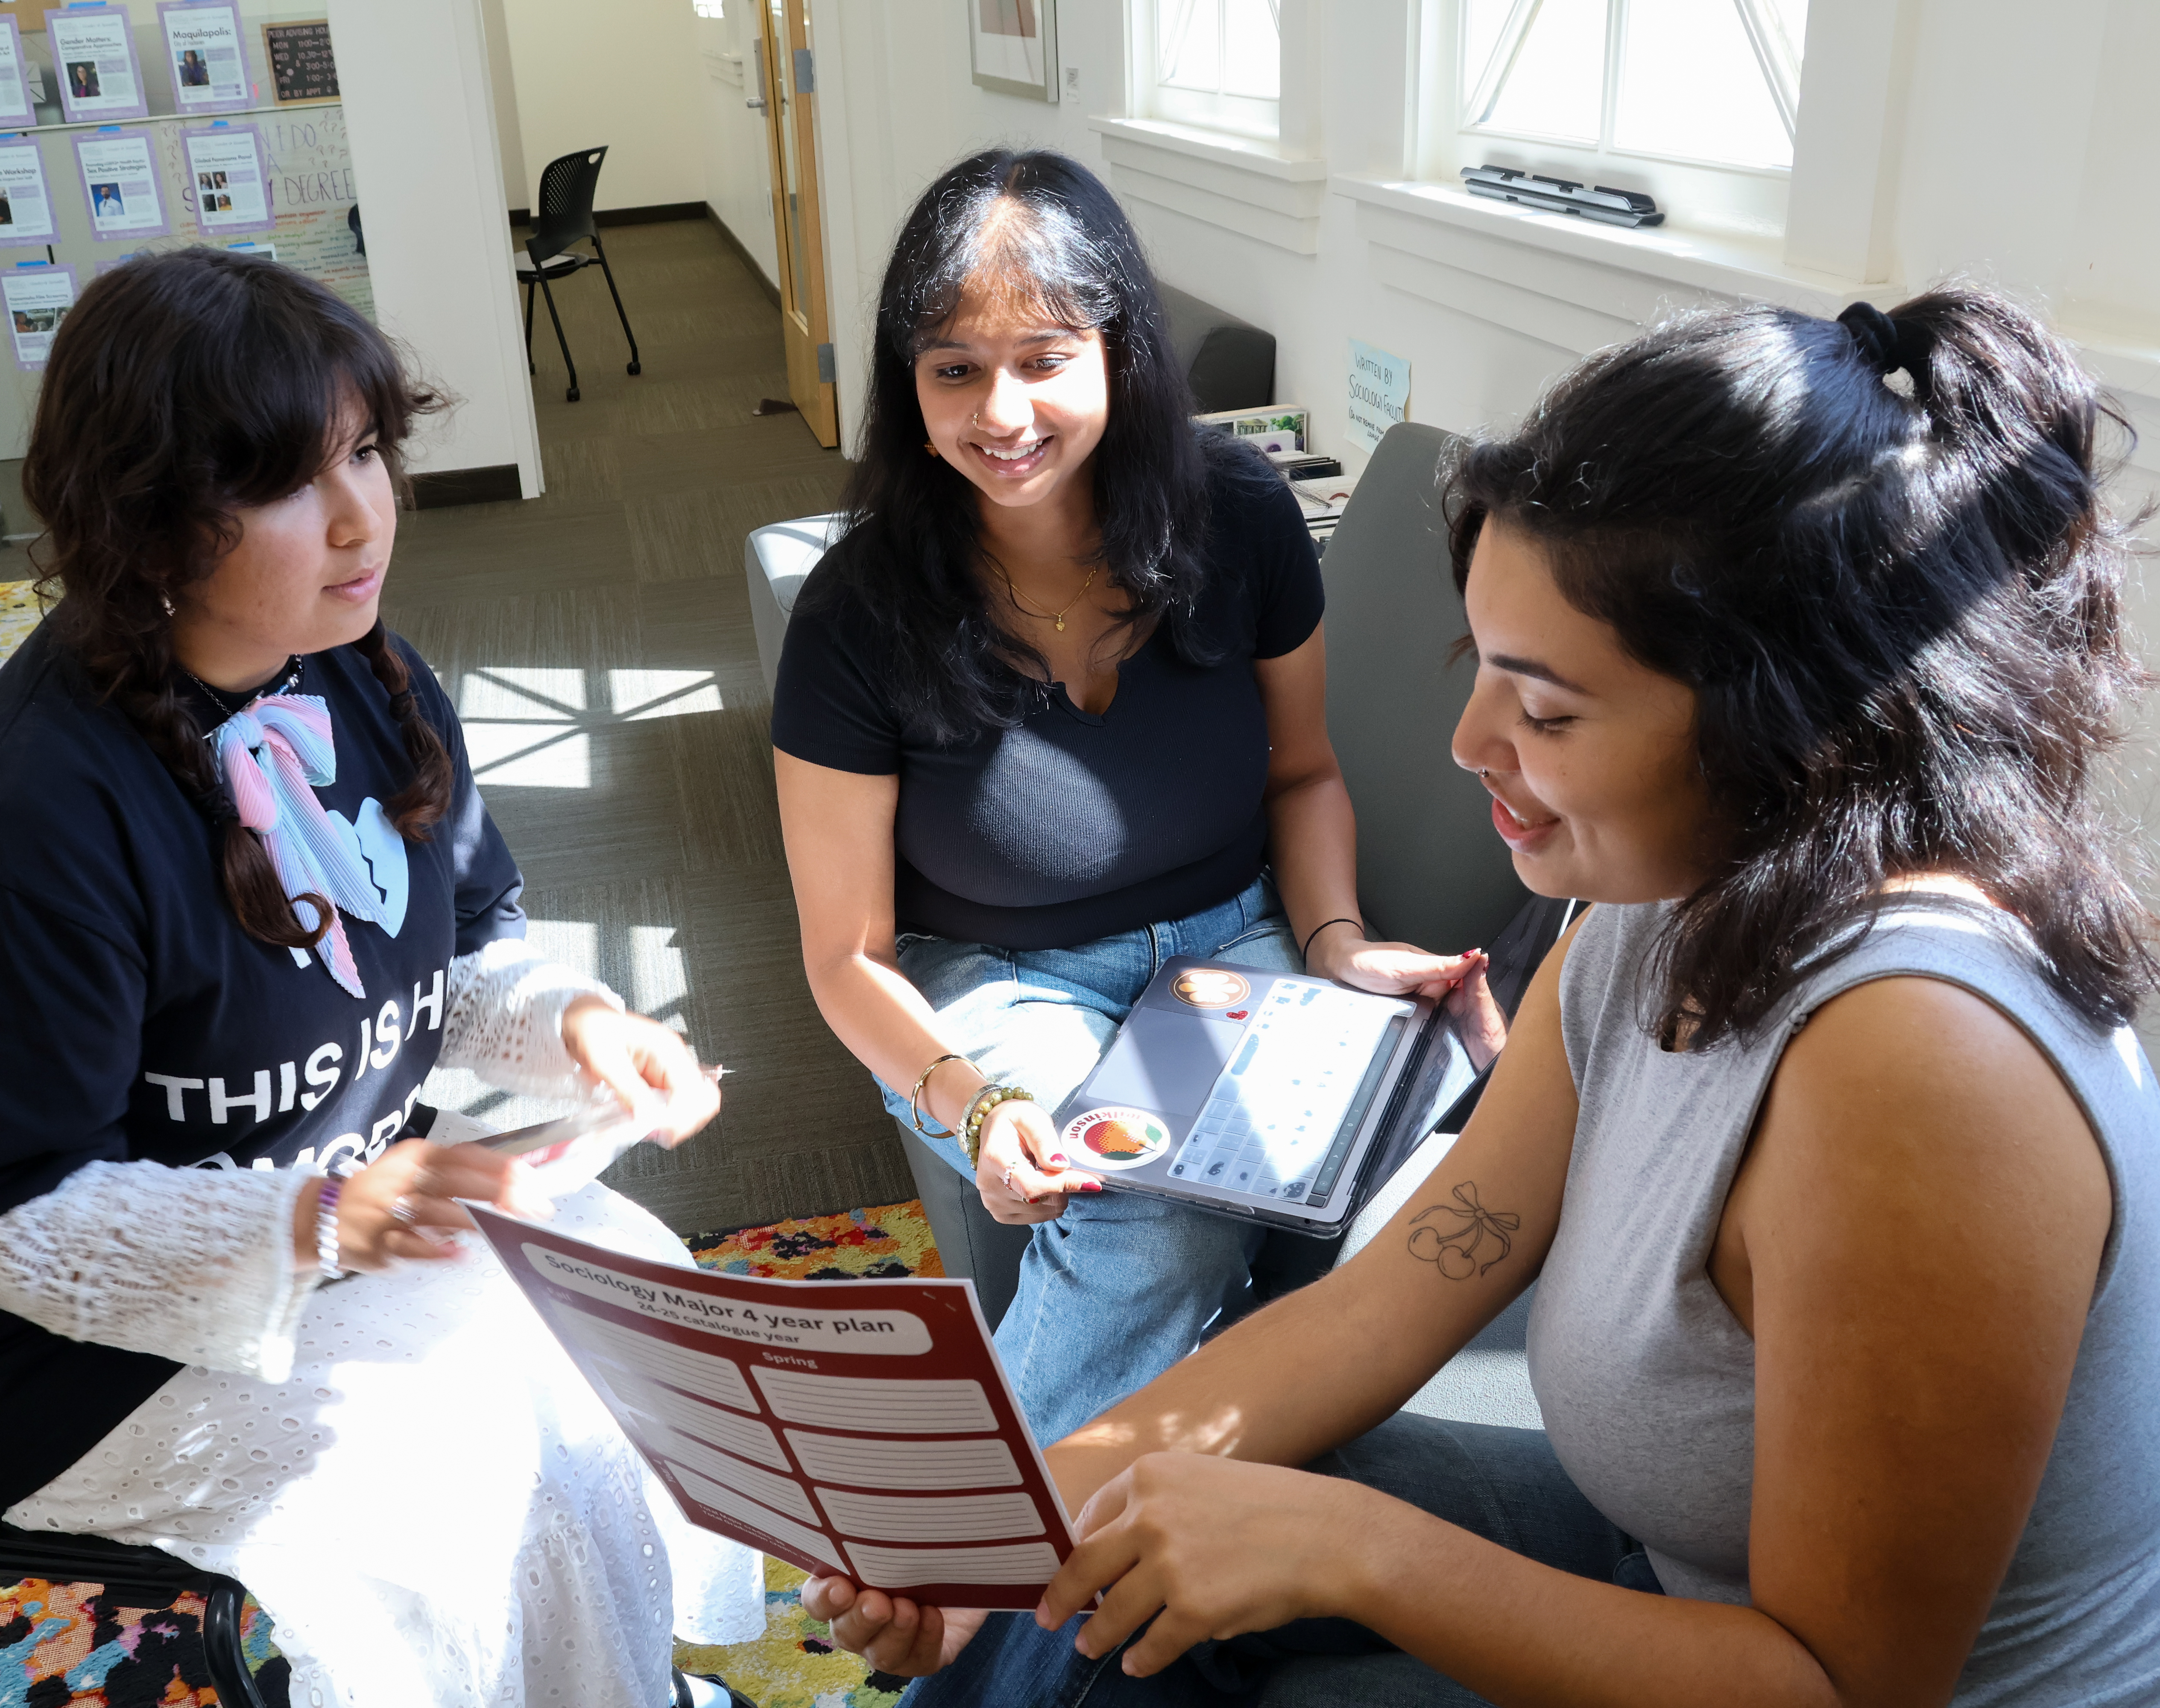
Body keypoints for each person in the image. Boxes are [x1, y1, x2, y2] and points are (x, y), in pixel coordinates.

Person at [804, 286, 2160, 1704]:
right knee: (1096, 1566)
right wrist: (1007, 1524)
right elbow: (1398, 1291)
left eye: (1547, 708)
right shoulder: (1657, 905)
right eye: (1481, 670)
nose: (1468, 744)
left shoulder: (1924, 1071)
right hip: (1674, 1562)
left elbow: (1836, 1688)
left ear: (1805, 723)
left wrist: (1359, 1553)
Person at [0, 248, 763, 1707]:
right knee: (478, 1502)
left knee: (649, 1329)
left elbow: (467, 964)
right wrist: (324, 1214)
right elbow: (6, 1227)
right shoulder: (22, 827)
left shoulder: (356, 669)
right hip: (90, 1364)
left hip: (332, 1240)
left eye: (365, 451)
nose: (365, 517)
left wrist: (581, 1029)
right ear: (149, 520)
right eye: (288, 482)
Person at [771, 149, 1501, 1443]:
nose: (1002, 413)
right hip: (1002, 982)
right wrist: (977, 1105)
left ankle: (1233, 1523)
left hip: (1234, 946)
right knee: (1149, 1214)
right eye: (955, 369)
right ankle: (985, 1578)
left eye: (1045, 357)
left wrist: (1336, 942)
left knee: (1409, 1144)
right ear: (909, 386)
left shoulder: (1240, 516)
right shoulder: (855, 612)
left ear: (1121, 354)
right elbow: (845, 957)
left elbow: (1306, 771)